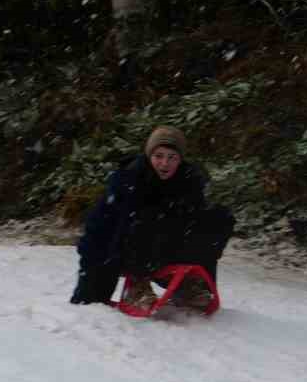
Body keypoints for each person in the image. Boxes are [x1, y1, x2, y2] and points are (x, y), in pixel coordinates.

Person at [69, 125, 235, 309]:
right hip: (124, 249)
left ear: (180, 160)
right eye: (159, 156)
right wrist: (92, 286)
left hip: (165, 246)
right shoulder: (129, 178)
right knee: (145, 216)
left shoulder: (190, 181)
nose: (165, 163)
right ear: (149, 156)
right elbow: (100, 228)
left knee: (218, 217)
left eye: (172, 157)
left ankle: (188, 284)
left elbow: (196, 224)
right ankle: (137, 285)